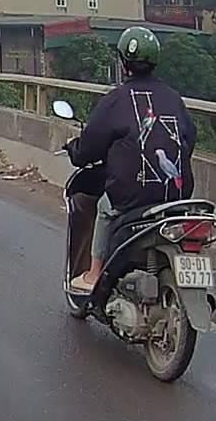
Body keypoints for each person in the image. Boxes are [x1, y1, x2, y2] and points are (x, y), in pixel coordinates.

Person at [67, 26, 196, 293]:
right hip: (177, 195)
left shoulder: (116, 99)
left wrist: (74, 150)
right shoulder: (173, 98)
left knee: (104, 208)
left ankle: (94, 274)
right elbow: (189, 140)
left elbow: (90, 147)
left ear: (123, 62)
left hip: (130, 196)